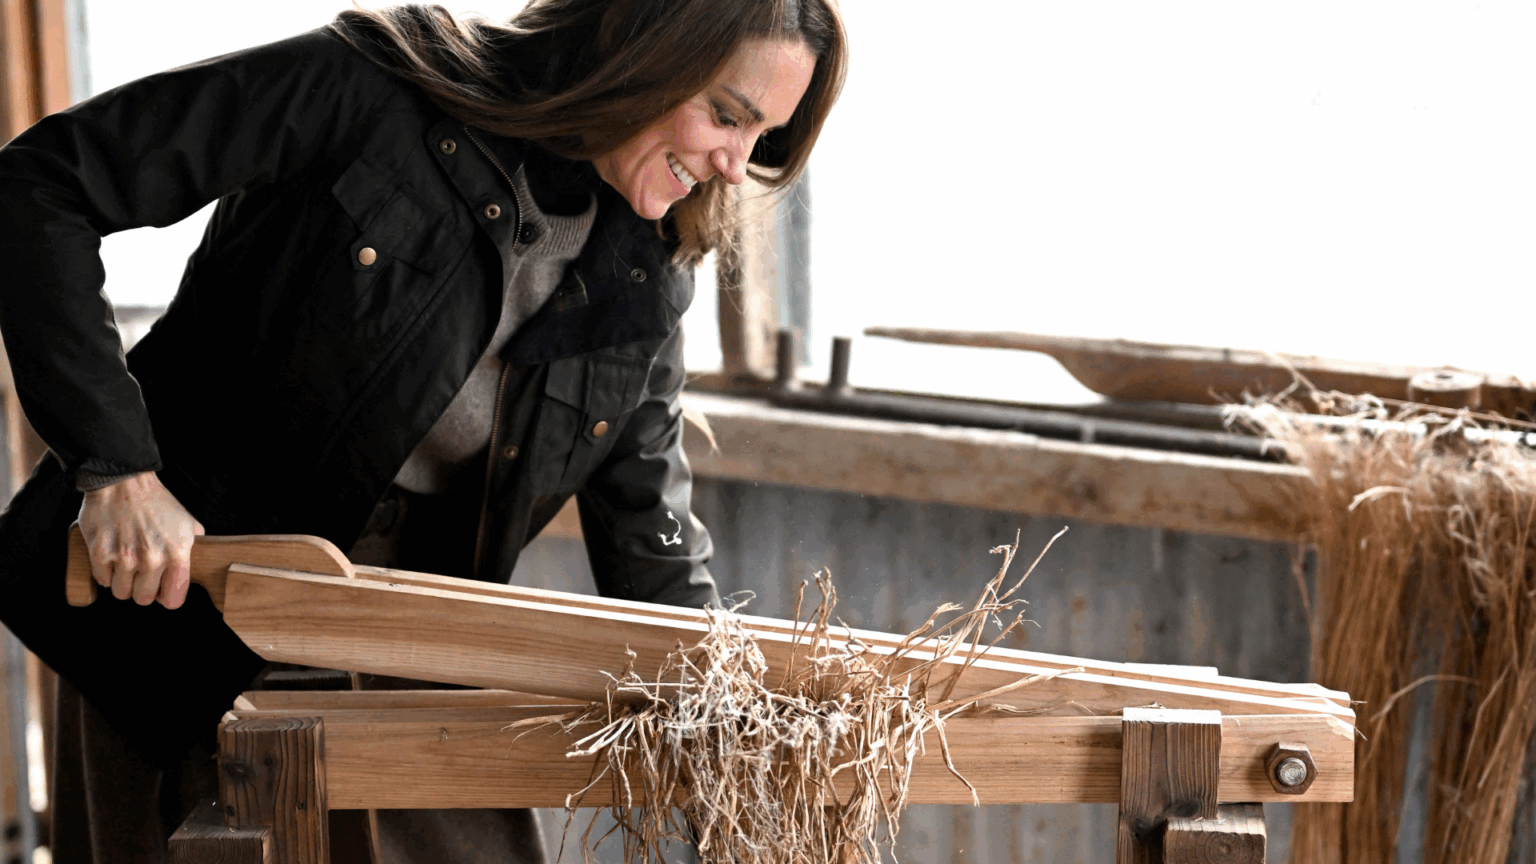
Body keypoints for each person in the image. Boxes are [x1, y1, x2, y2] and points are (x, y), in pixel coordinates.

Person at [0, 0, 847, 860]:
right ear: (637, 51)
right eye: (728, 116)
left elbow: (651, 539)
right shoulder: (369, 85)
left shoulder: (645, 276)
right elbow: (39, 187)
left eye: (763, 139)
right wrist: (117, 471)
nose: (735, 166)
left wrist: (732, 702)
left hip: (415, 658)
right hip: (183, 625)